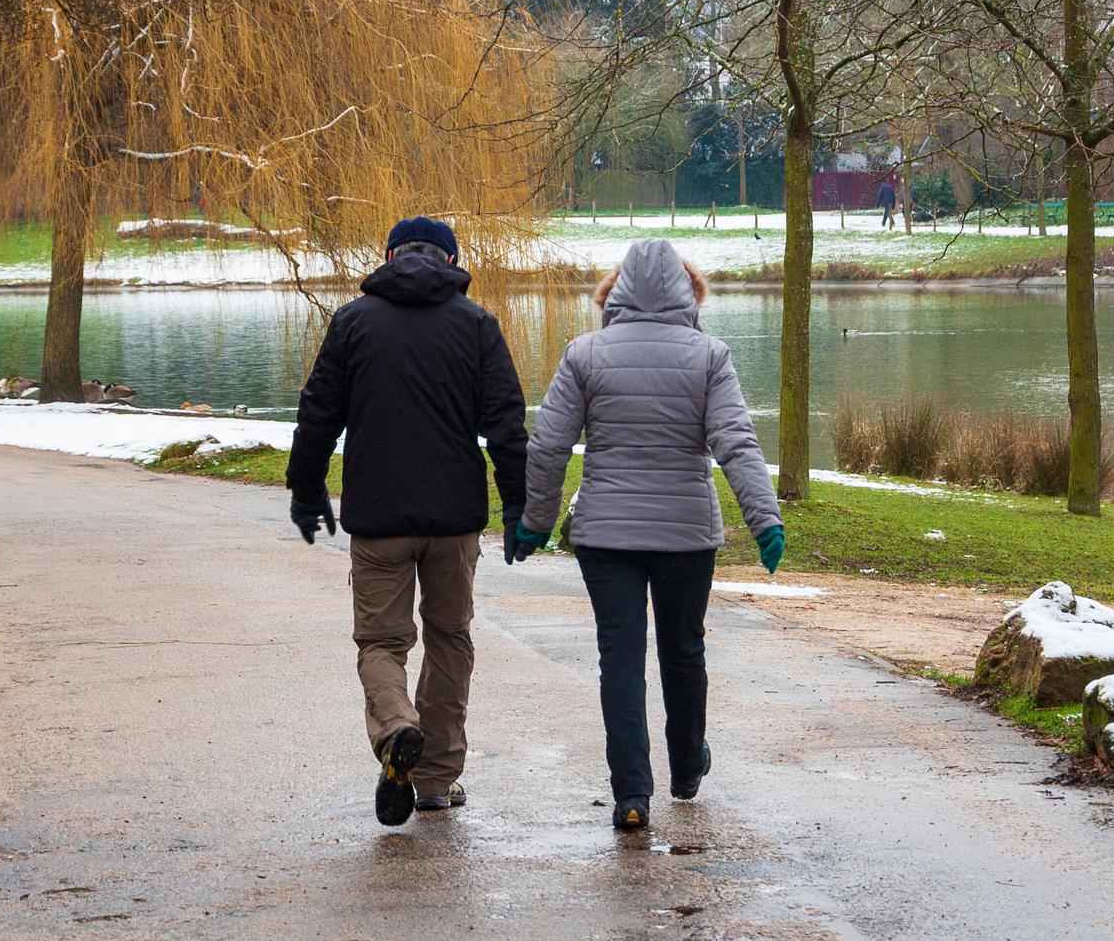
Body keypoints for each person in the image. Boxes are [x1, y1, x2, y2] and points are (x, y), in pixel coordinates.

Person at [511, 238, 783, 830]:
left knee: (621, 658)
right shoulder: (710, 355)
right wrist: (765, 520)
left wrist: (535, 519)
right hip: (686, 534)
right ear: (690, 294)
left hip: (607, 536)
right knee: (684, 651)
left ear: (616, 293)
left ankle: (633, 794)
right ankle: (687, 767)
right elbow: (735, 442)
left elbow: (550, 448)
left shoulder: (584, 354)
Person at [286, 216, 528, 827]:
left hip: (379, 515)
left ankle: (396, 727)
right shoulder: (476, 325)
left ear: (388, 255)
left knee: (382, 642)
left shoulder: (354, 321)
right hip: (454, 517)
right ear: (451, 261)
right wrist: (519, 502)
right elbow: (505, 421)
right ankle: (437, 781)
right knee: (451, 638)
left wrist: (306, 487)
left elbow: (319, 412)